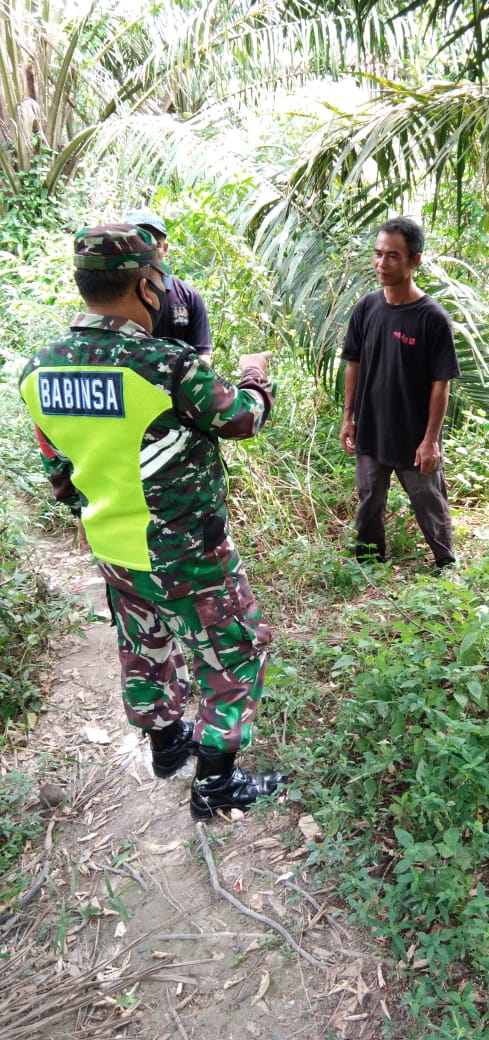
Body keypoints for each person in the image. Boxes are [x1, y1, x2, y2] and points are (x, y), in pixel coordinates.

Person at [19, 224, 284, 819]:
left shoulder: (38, 370)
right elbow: (242, 420)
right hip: (186, 549)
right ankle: (216, 785)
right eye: (159, 280)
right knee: (235, 653)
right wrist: (256, 378)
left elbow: (60, 476)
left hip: (113, 545)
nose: (164, 291)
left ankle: (167, 747)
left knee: (145, 643)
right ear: (144, 286)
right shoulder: (164, 364)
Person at [339, 217, 460, 567]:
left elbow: (441, 383)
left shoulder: (432, 317)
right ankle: (369, 566)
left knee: (429, 500)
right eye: (377, 254)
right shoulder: (367, 308)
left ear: (414, 261)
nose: (381, 263)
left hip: (414, 436)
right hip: (371, 429)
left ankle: (446, 565)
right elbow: (353, 364)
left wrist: (431, 440)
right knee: (369, 500)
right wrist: (348, 418)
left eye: (392, 256)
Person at [124, 207, 213, 361]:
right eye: (138, 243)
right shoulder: (114, 293)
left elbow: (202, 355)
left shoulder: (188, 297)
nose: (146, 250)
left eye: (155, 244)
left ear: (164, 249)